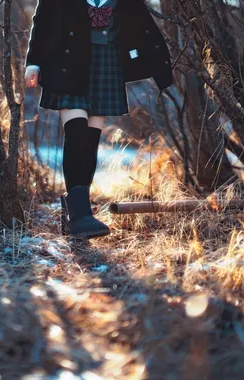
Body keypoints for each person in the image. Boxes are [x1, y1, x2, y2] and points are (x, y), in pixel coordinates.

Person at [25, 0, 173, 239]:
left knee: (91, 137)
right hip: (67, 62)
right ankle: (80, 216)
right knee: (76, 132)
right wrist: (33, 62)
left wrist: (156, 63)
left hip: (107, 60)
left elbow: (140, 24)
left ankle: (77, 209)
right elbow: (42, 20)